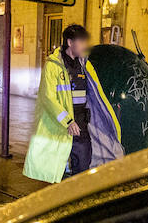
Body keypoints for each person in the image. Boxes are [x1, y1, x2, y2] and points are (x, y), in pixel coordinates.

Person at [23, 25, 122, 183]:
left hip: (81, 122)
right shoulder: (53, 66)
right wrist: (67, 121)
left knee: (83, 164)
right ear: (70, 42)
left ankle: (74, 197)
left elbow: (94, 93)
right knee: (57, 168)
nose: (85, 46)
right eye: (82, 42)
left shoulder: (84, 65)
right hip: (61, 125)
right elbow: (49, 98)